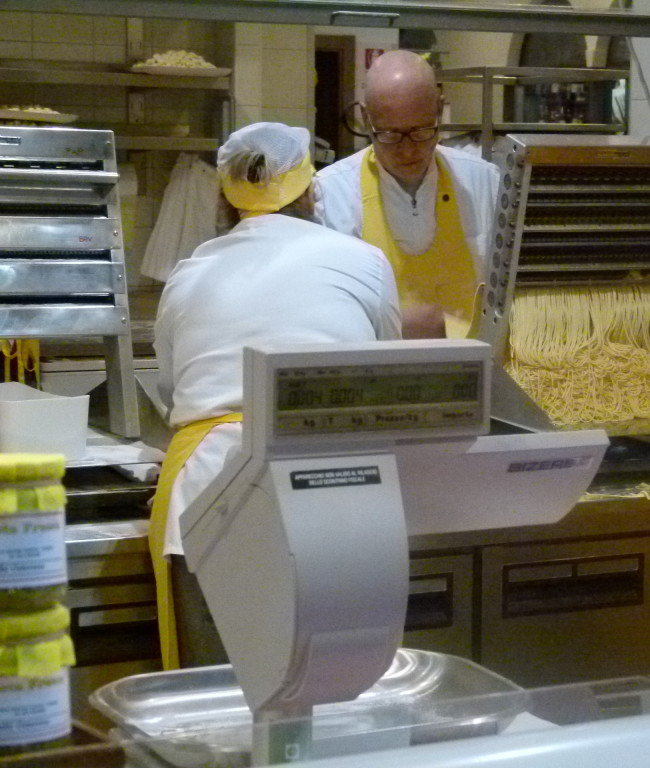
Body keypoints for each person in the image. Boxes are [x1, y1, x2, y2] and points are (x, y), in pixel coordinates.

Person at [151, 122, 402, 670]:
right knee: (333, 690)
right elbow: (390, 372)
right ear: (312, 193)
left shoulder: (188, 275)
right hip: (337, 500)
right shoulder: (364, 262)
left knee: (216, 707)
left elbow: (173, 393)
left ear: (225, 198)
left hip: (205, 503)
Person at [314, 49, 500, 339]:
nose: (408, 150)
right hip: (373, 372)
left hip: (473, 367)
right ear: (365, 118)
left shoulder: (483, 182)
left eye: (422, 131)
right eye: (389, 134)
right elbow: (325, 316)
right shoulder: (329, 195)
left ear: (439, 109)